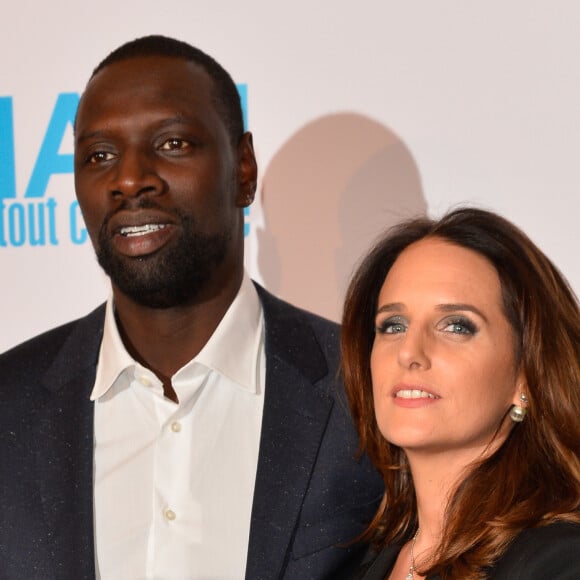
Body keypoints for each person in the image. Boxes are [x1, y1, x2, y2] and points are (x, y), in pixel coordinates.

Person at [0, 35, 383, 580]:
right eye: (99, 156)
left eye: (173, 144)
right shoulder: (10, 405)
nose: (130, 180)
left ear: (244, 169)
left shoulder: (365, 388)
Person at [341, 207, 580, 579]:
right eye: (393, 325)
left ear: (525, 375)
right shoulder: (359, 565)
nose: (409, 352)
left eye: (456, 325)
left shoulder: (560, 562)